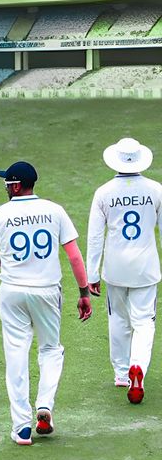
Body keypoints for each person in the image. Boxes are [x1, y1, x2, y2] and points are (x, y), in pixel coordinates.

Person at [0, 160, 91, 444]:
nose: (6, 187)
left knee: (16, 354)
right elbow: (74, 256)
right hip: (46, 291)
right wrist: (83, 292)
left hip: (12, 292)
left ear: (16, 185)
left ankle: (22, 427)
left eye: (8, 183)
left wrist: (7, 255)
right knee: (51, 349)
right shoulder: (55, 211)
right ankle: (44, 405)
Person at [86, 135, 162, 404]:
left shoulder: (104, 192)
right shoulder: (156, 189)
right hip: (146, 268)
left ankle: (121, 373)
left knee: (118, 318)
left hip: (115, 268)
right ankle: (137, 366)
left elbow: (95, 237)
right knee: (144, 322)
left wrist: (91, 275)